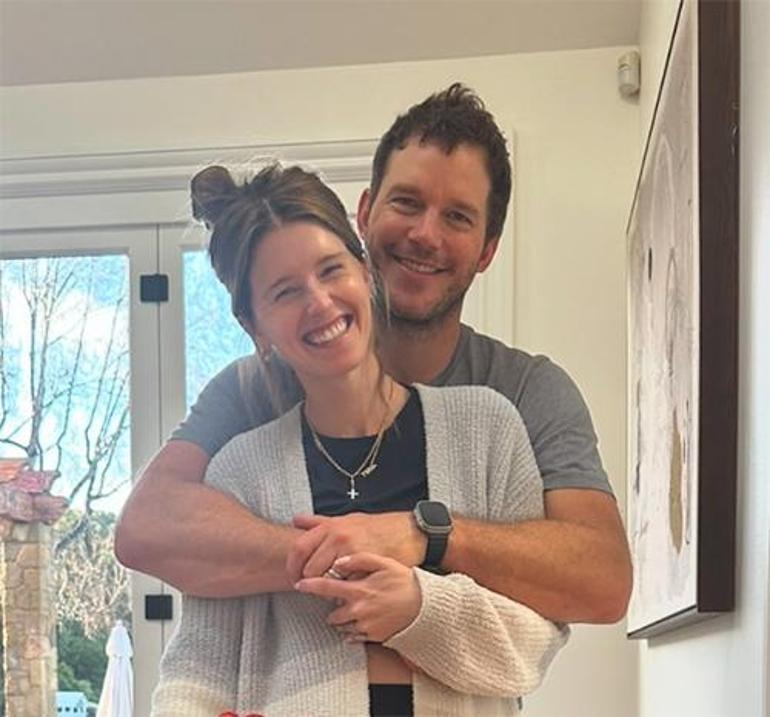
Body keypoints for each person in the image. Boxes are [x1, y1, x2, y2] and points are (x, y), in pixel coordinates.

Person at [116, 84, 632, 625]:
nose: (425, 234)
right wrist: (336, 554)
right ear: (365, 214)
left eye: (458, 217)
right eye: (407, 202)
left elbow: (602, 583)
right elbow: (146, 528)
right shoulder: (251, 390)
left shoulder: (522, 392)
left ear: (487, 250)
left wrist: (423, 535)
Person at [151, 163, 568, 716]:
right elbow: (196, 671)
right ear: (256, 328)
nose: (320, 303)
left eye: (331, 270)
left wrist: (422, 608)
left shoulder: (487, 429)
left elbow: (535, 645)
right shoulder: (240, 472)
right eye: (285, 292)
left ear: (365, 271)